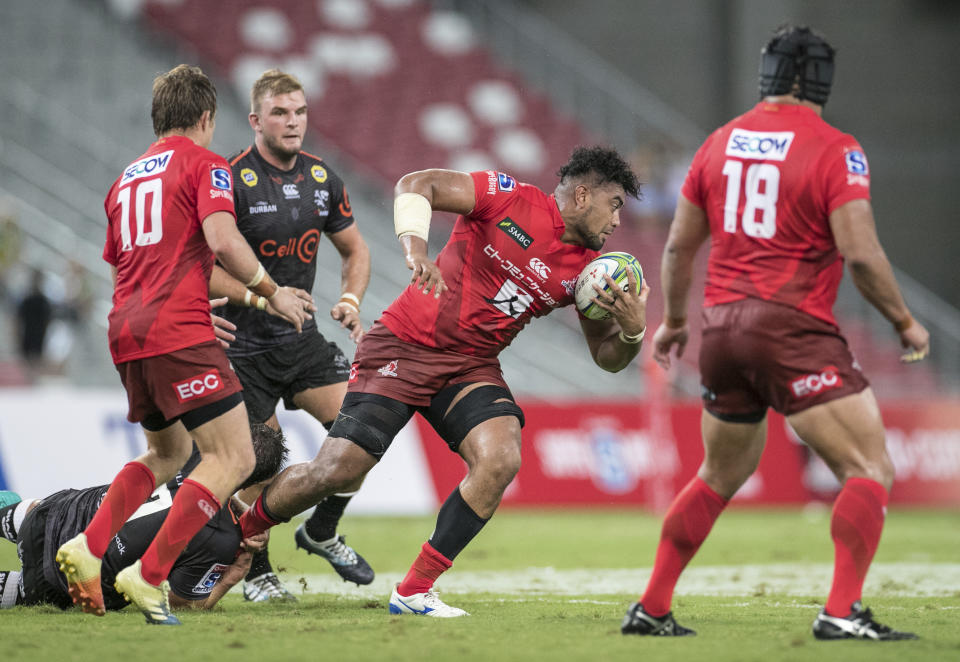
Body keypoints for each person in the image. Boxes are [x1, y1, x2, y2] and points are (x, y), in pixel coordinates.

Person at [239, 145, 647, 617]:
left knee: (500, 458)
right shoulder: (507, 197)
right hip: (405, 345)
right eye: (614, 205)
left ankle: (414, 590)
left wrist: (633, 330)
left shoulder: (588, 273)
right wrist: (417, 251)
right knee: (337, 471)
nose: (617, 222)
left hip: (470, 366)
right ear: (582, 196)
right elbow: (416, 184)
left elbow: (607, 358)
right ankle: (243, 527)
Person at [622, 25, 930, 641]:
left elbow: (681, 245)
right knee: (870, 468)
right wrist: (903, 320)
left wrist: (677, 323)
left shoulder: (718, 144)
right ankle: (841, 612)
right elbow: (862, 255)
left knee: (717, 475)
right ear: (816, 78)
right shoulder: (834, 146)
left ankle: (652, 606)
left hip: (722, 331)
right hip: (791, 327)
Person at [55, 64, 311, 626]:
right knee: (235, 456)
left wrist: (216, 304)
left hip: (126, 329)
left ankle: (89, 546)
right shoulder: (205, 164)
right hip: (176, 330)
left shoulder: (124, 180)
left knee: (167, 454)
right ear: (206, 118)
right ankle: (148, 576)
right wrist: (272, 291)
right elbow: (222, 239)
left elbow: (142, 263)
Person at [208, 69, 374, 601]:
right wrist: (260, 296)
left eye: (299, 111)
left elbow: (357, 250)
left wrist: (349, 300)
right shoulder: (229, 177)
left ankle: (321, 529)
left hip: (300, 342)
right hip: (242, 347)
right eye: (280, 113)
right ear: (256, 120)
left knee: (365, 434)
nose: (293, 122)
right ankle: (257, 573)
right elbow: (201, 264)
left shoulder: (322, 179)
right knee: (258, 463)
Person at [0, 424, 286, 612]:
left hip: (48, 514)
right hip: (55, 580)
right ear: (251, 481)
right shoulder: (223, 537)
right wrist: (232, 576)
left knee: (19, 507)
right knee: (28, 593)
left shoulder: (189, 448)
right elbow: (182, 603)